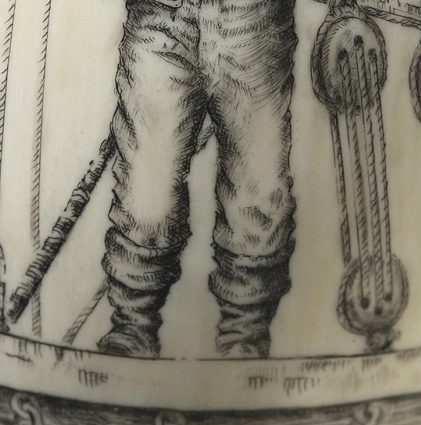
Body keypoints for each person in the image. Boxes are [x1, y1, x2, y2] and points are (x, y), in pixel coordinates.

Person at [98, 0, 297, 359]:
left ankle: (246, 336)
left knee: (258, 195)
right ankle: (132, 329)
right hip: (159, 19)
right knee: (146, 197)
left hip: (254, 19)